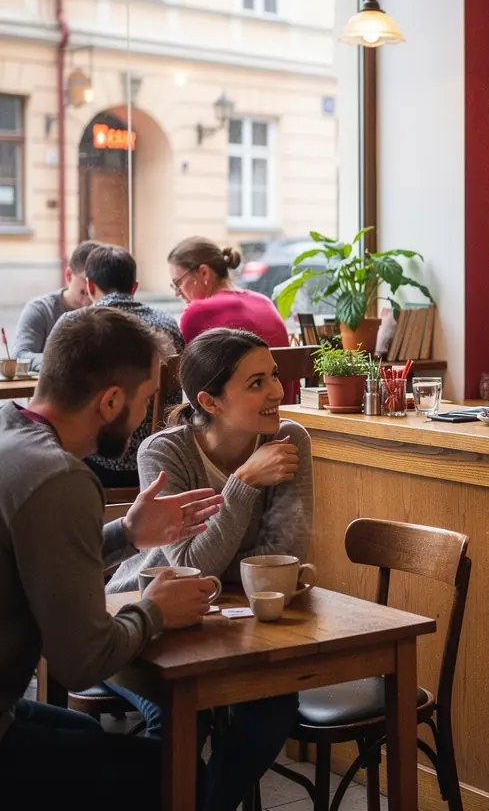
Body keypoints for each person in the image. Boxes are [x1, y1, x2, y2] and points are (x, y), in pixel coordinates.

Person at [0, 306, 224, 810]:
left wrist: (126, 533)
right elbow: (82, 662)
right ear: (111, 401)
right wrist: (155, 609)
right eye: (146, 400)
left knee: (82, 730)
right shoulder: (60, 476)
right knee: (175, 773)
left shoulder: (10, 431)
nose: (147, 417)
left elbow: (33, 560)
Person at [108, 328, 313, 811]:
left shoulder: (289, 440)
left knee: (272, 710)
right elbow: (191, 566)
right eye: (257, 382)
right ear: (210, 401)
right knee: (183, 718)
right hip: (139, 619)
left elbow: (284, 554)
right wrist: (242, 483)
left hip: (234, 628)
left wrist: (239, 568)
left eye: (276, 376)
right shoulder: (163, 453)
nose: (278, 392)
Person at [68, 244, 185, 487]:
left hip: (96, 460)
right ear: (134, 288)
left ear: (89, 286)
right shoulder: (168, 324)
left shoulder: (78, 325)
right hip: (159, 457)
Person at [168, 236, 297, 402]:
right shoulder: (264, 301)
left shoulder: (197, 312)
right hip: (285, 414)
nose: (177, 292)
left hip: (239, 420)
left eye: (178, 282)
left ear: (204, 273)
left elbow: (189, 383)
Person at [11, 240, 101, 371]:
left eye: (97, 281)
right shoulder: (40, 310)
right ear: (69, 275)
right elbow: (19, 357)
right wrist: (64, 362)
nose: (91, 287)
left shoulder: (106, 311)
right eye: (86, 280)